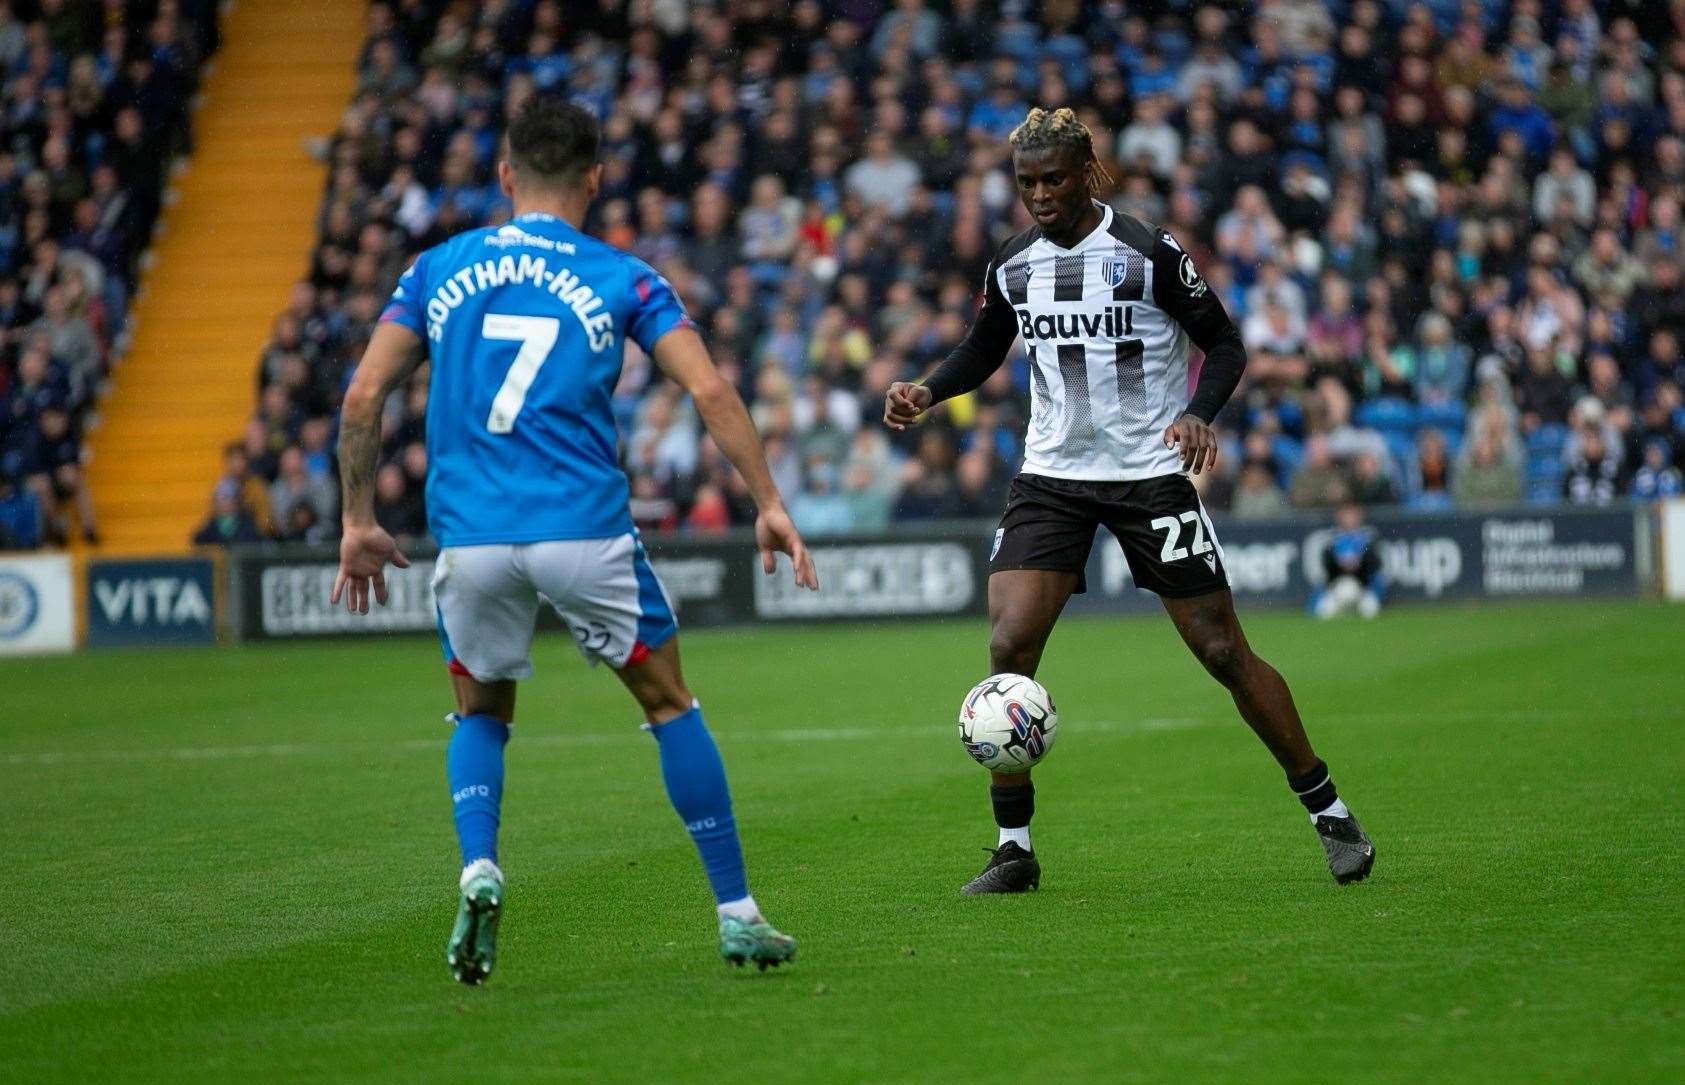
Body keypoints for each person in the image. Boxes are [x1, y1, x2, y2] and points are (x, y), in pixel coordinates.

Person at [330, 96, 818, 985]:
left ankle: (480, 864)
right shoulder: (624, 276)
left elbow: (364, 397)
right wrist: (769, 499)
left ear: (506, 175)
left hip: (471, 538)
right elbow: (708, 390)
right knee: (670, 705)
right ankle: (737, 912)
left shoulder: (435, 269)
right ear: (595, 179)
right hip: (583, 530)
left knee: (481, 711)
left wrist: (359, 518)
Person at [883, 107, 1375, 895]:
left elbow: (1226, 343)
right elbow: (986, 345)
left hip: (1148, 474)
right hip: (1050, 477)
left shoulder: (1148, 251)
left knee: (1222, 651)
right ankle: (1013, 847)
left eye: (1052, 179)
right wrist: (928, 389)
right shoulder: (1010, 264)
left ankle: (1329, 812)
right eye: (1025, 182)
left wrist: (1196, 414)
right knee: (1009, 648)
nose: (1038, 194)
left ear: (1087, 173)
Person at [1312, 502, 1385, 619]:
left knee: (1371, 611)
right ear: (1339, 517)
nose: (1349, 519)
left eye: (1352, 515)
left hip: (1363, 588)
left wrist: (1359, 563)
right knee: (1323, 612)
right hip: (1337, 587)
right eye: (1346, 515)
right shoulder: (1333, 539)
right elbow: (1327, 563)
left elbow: (1376, 563)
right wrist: (1341, 564)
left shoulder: (1368, 538)